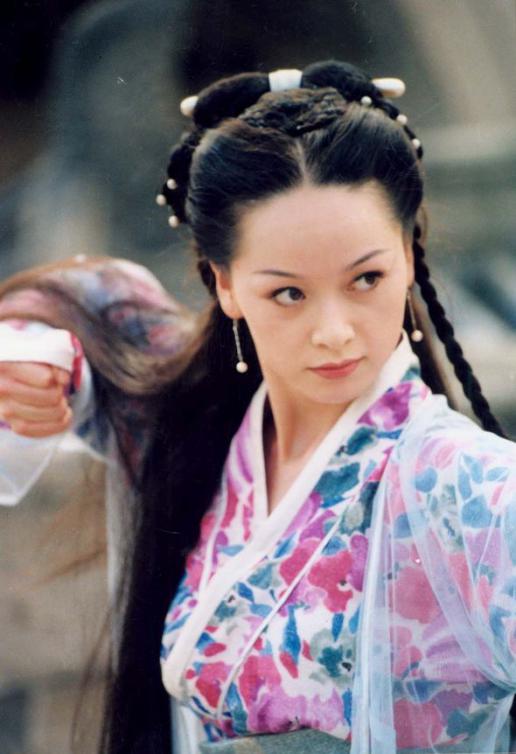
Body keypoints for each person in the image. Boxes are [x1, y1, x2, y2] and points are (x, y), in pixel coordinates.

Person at [0, 60, 515, 754]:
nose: (334, 331)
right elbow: (93, 296)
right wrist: (36, 357)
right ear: (226, 286)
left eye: (366, 279)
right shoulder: (198, 433)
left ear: (407, 252)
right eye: (288, 294)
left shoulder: (469, 485)